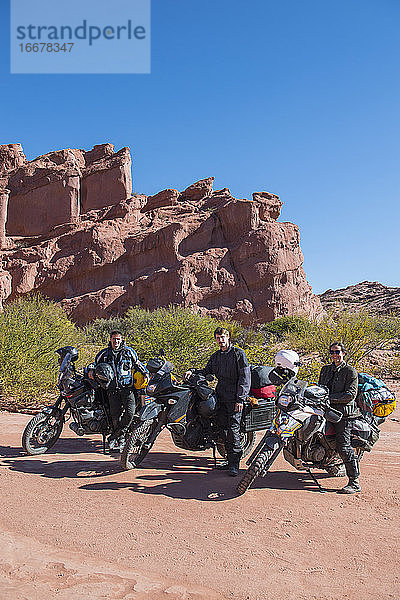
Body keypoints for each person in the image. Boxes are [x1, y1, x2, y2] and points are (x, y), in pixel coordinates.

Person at [197, 327, 251, 477]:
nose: (220, 340)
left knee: (233, 430)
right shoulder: (216, 356)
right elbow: (207, 371)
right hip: (220, 395)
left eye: (222, 337)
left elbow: (245, 378)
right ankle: (228, 460)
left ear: (228, 337)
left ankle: (235, 464)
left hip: (235, 397)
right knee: (222, 429)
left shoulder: (238, 354)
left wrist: (240, 398)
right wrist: (193, 372)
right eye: (217, 338)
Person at [93, 331, 148, 449]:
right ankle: (120, 440)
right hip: (111, 389)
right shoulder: (104, 354)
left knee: (130, 413)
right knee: (115, 416)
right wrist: (90, 371)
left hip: (127, 389)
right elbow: (95, 364)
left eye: (118, 339)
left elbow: (138, 364)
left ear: (122, 340)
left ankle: (116, 435)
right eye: (114, 339)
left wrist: (146, 373)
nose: (116, 341)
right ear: (110, 339)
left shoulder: (129, 352)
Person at [318, 342, 361, 494]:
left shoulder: (350, 371)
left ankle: (354, 482)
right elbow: (320, 389)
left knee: (343, 447)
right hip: (326, 409)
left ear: (344, 353)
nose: (334, 355)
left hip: (344, 413)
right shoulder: (326, 370)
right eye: (332, 352)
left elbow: (350, 395)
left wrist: (329, 399)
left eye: (337, 352)